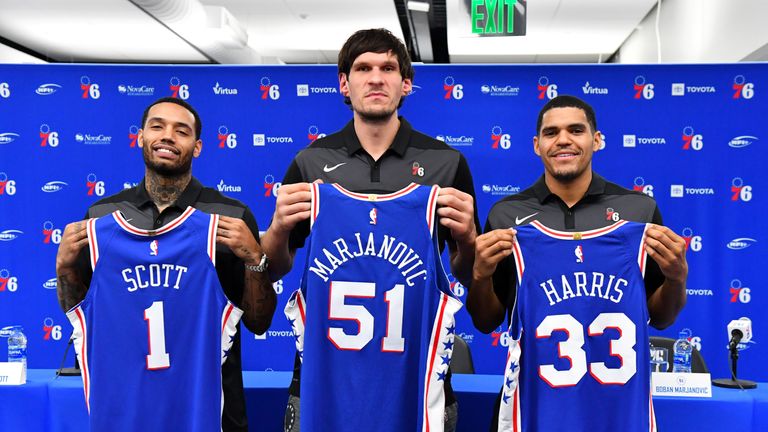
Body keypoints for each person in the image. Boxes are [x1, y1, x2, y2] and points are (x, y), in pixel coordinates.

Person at [261, 28, 479, 432]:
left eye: (388, 68)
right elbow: (273, 266)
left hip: (419, 375)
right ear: (344, 83)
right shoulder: (311, 162)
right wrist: (276, 228)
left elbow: (467, 273)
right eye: (363, 68)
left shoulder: (445, 163)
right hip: (322, 376)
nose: (376, 78)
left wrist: (467, 239)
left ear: (406, 84)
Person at [55, 97, 276, 432]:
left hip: (212, 413)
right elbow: (82, 313)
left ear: (197, 147)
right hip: (128, 411)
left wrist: (255, 260)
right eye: (157, 126)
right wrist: (65, 269)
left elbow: (259, 323)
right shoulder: (102, 217)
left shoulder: (229, 216)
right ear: (140, 136)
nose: (168, 136)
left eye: (181, 130)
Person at [468, 95, 688, 430]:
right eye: (551, 132)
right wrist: (480, 276)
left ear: (596, 140)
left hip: (616, 408)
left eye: (576, 130)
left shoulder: (638, 212)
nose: (564, 140)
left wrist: (676, 279)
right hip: (534, 406)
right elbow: (487, 321)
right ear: (537, 145)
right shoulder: (508, 215)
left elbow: (661, 318)